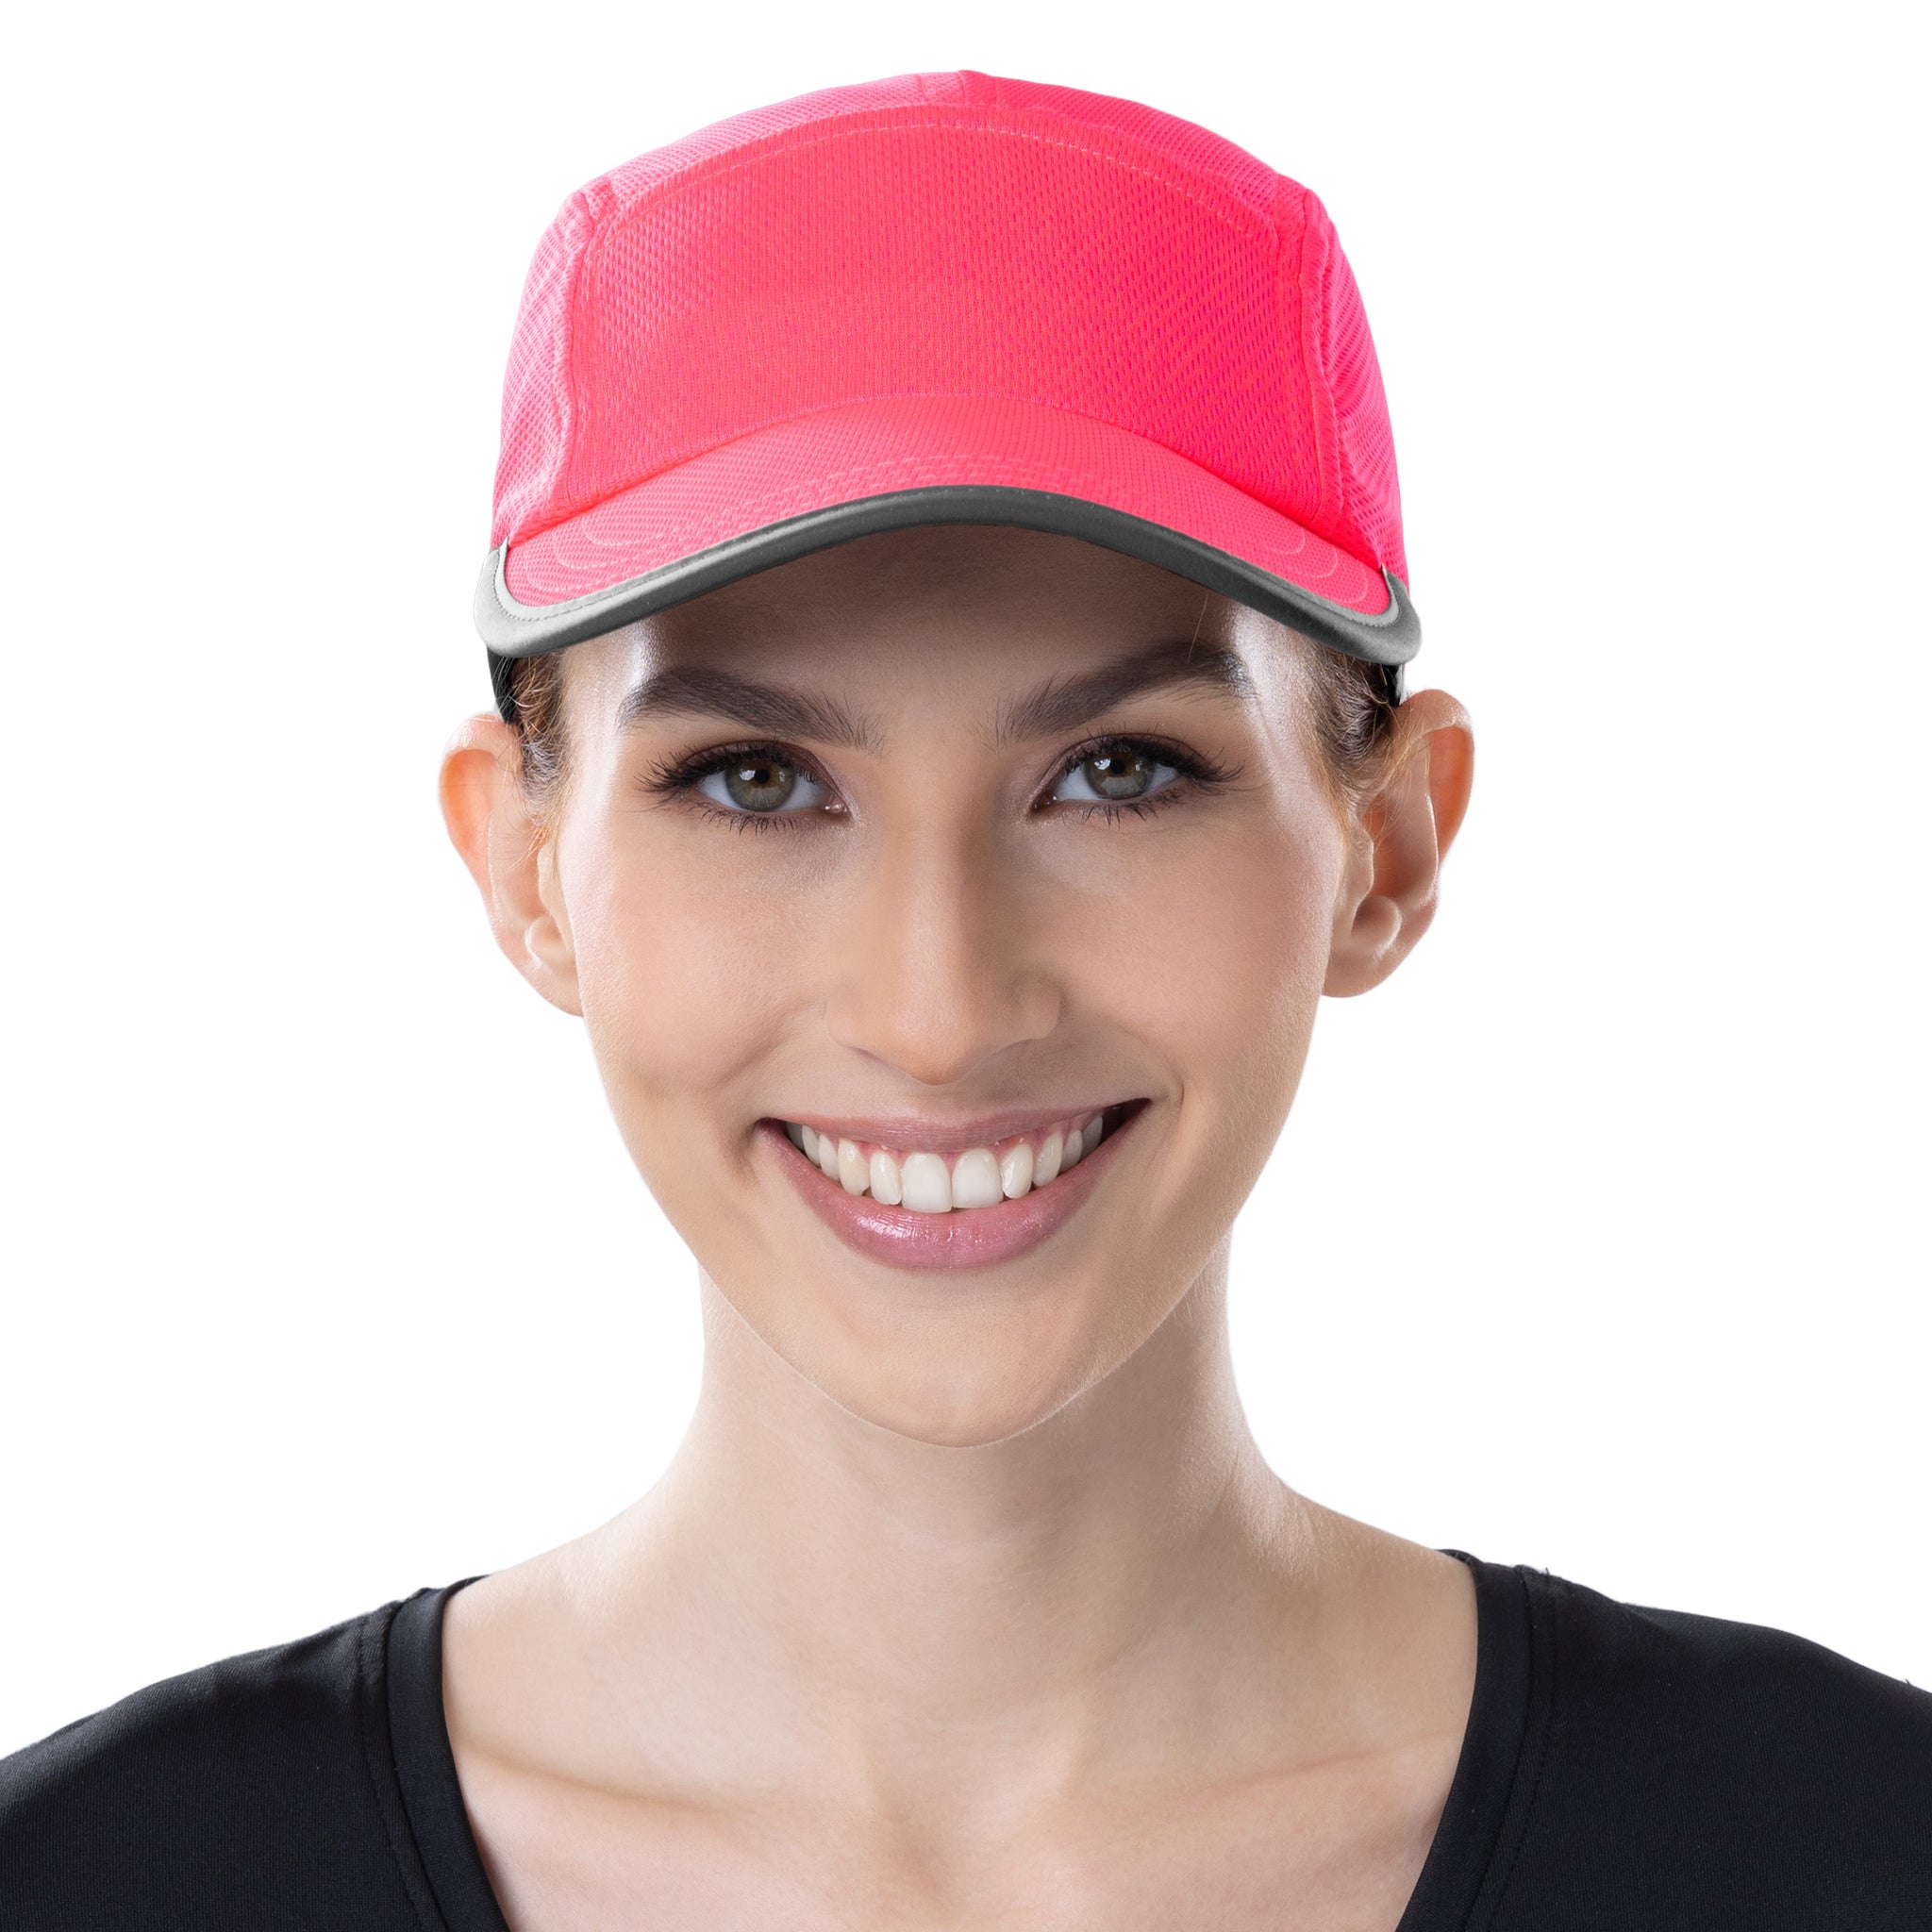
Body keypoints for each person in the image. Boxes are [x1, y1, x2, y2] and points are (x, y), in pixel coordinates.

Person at [3, 69, 1926, 1932]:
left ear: (1390, 845)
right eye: (755, 779)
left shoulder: (1857, 1851)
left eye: (1119, 771)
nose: (938, 1011)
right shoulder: (87, 1883)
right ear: (522, 872)